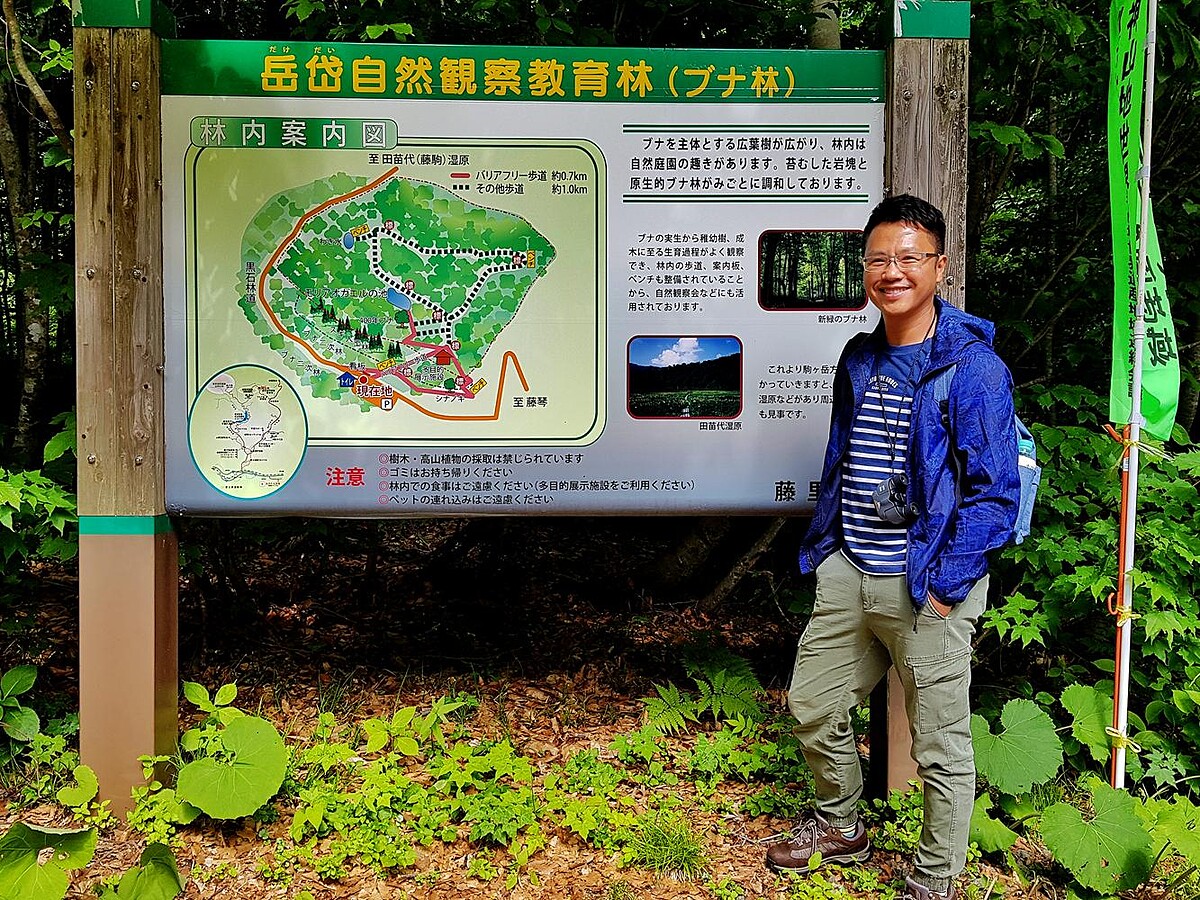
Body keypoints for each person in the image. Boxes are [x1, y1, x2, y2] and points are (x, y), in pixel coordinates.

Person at [765, 194, 1020, 900]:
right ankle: (841, 825)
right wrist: (830, 551)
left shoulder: (973, 369)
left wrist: (944, 586)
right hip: (852, 567)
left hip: (928, 579)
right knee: (813, 705)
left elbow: (995, 493)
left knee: (938, 743)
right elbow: (844, 457)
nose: (892, 271)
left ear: (940, 265)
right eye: (878, 258)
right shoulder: (859, 356)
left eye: (909, 257)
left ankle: (936, 878)